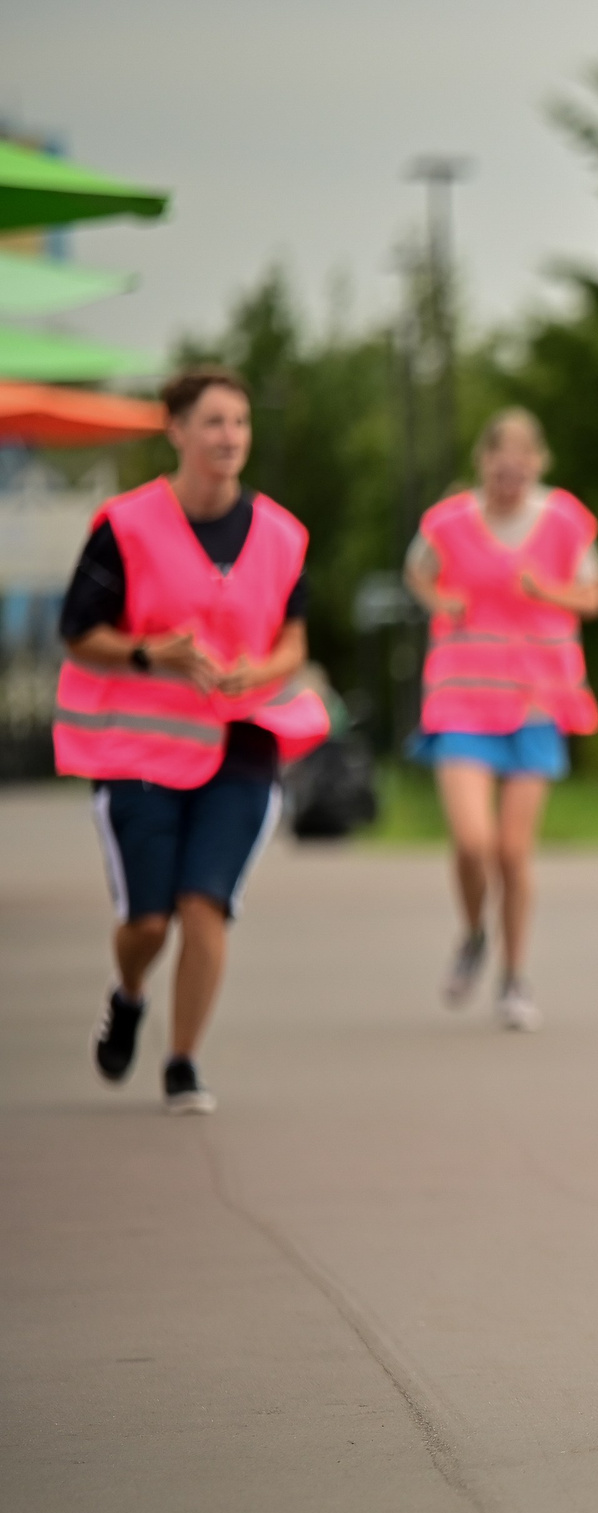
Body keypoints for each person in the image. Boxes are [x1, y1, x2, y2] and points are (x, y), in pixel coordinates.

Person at [55, 366, 330, 1113]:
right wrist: (153, 652)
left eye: (239, 422)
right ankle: (130, 991)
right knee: (149, 919)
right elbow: (78, 633)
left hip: (241, 747)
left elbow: (294, 639)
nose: (229, 437)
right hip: (139, 751)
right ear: (176, 430)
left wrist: (261, 669)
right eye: (213, 422)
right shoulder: (127, 525)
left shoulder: (280, 533)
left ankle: (183, 1062)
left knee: (206, 903)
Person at [404, 407, 598, 1032]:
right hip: (462, 695)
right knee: (473, 842)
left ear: (539, 463)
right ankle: (472, 933)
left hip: (537, 700)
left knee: (514, 853)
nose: (511, 467)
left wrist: (548, 592)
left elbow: (595, 597)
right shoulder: (449, 521)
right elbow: (418, 572)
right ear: (483, 461)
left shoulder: (565, 521)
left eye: (524, 456)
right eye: (500, 455)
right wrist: (442, 600)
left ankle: (515, 978)